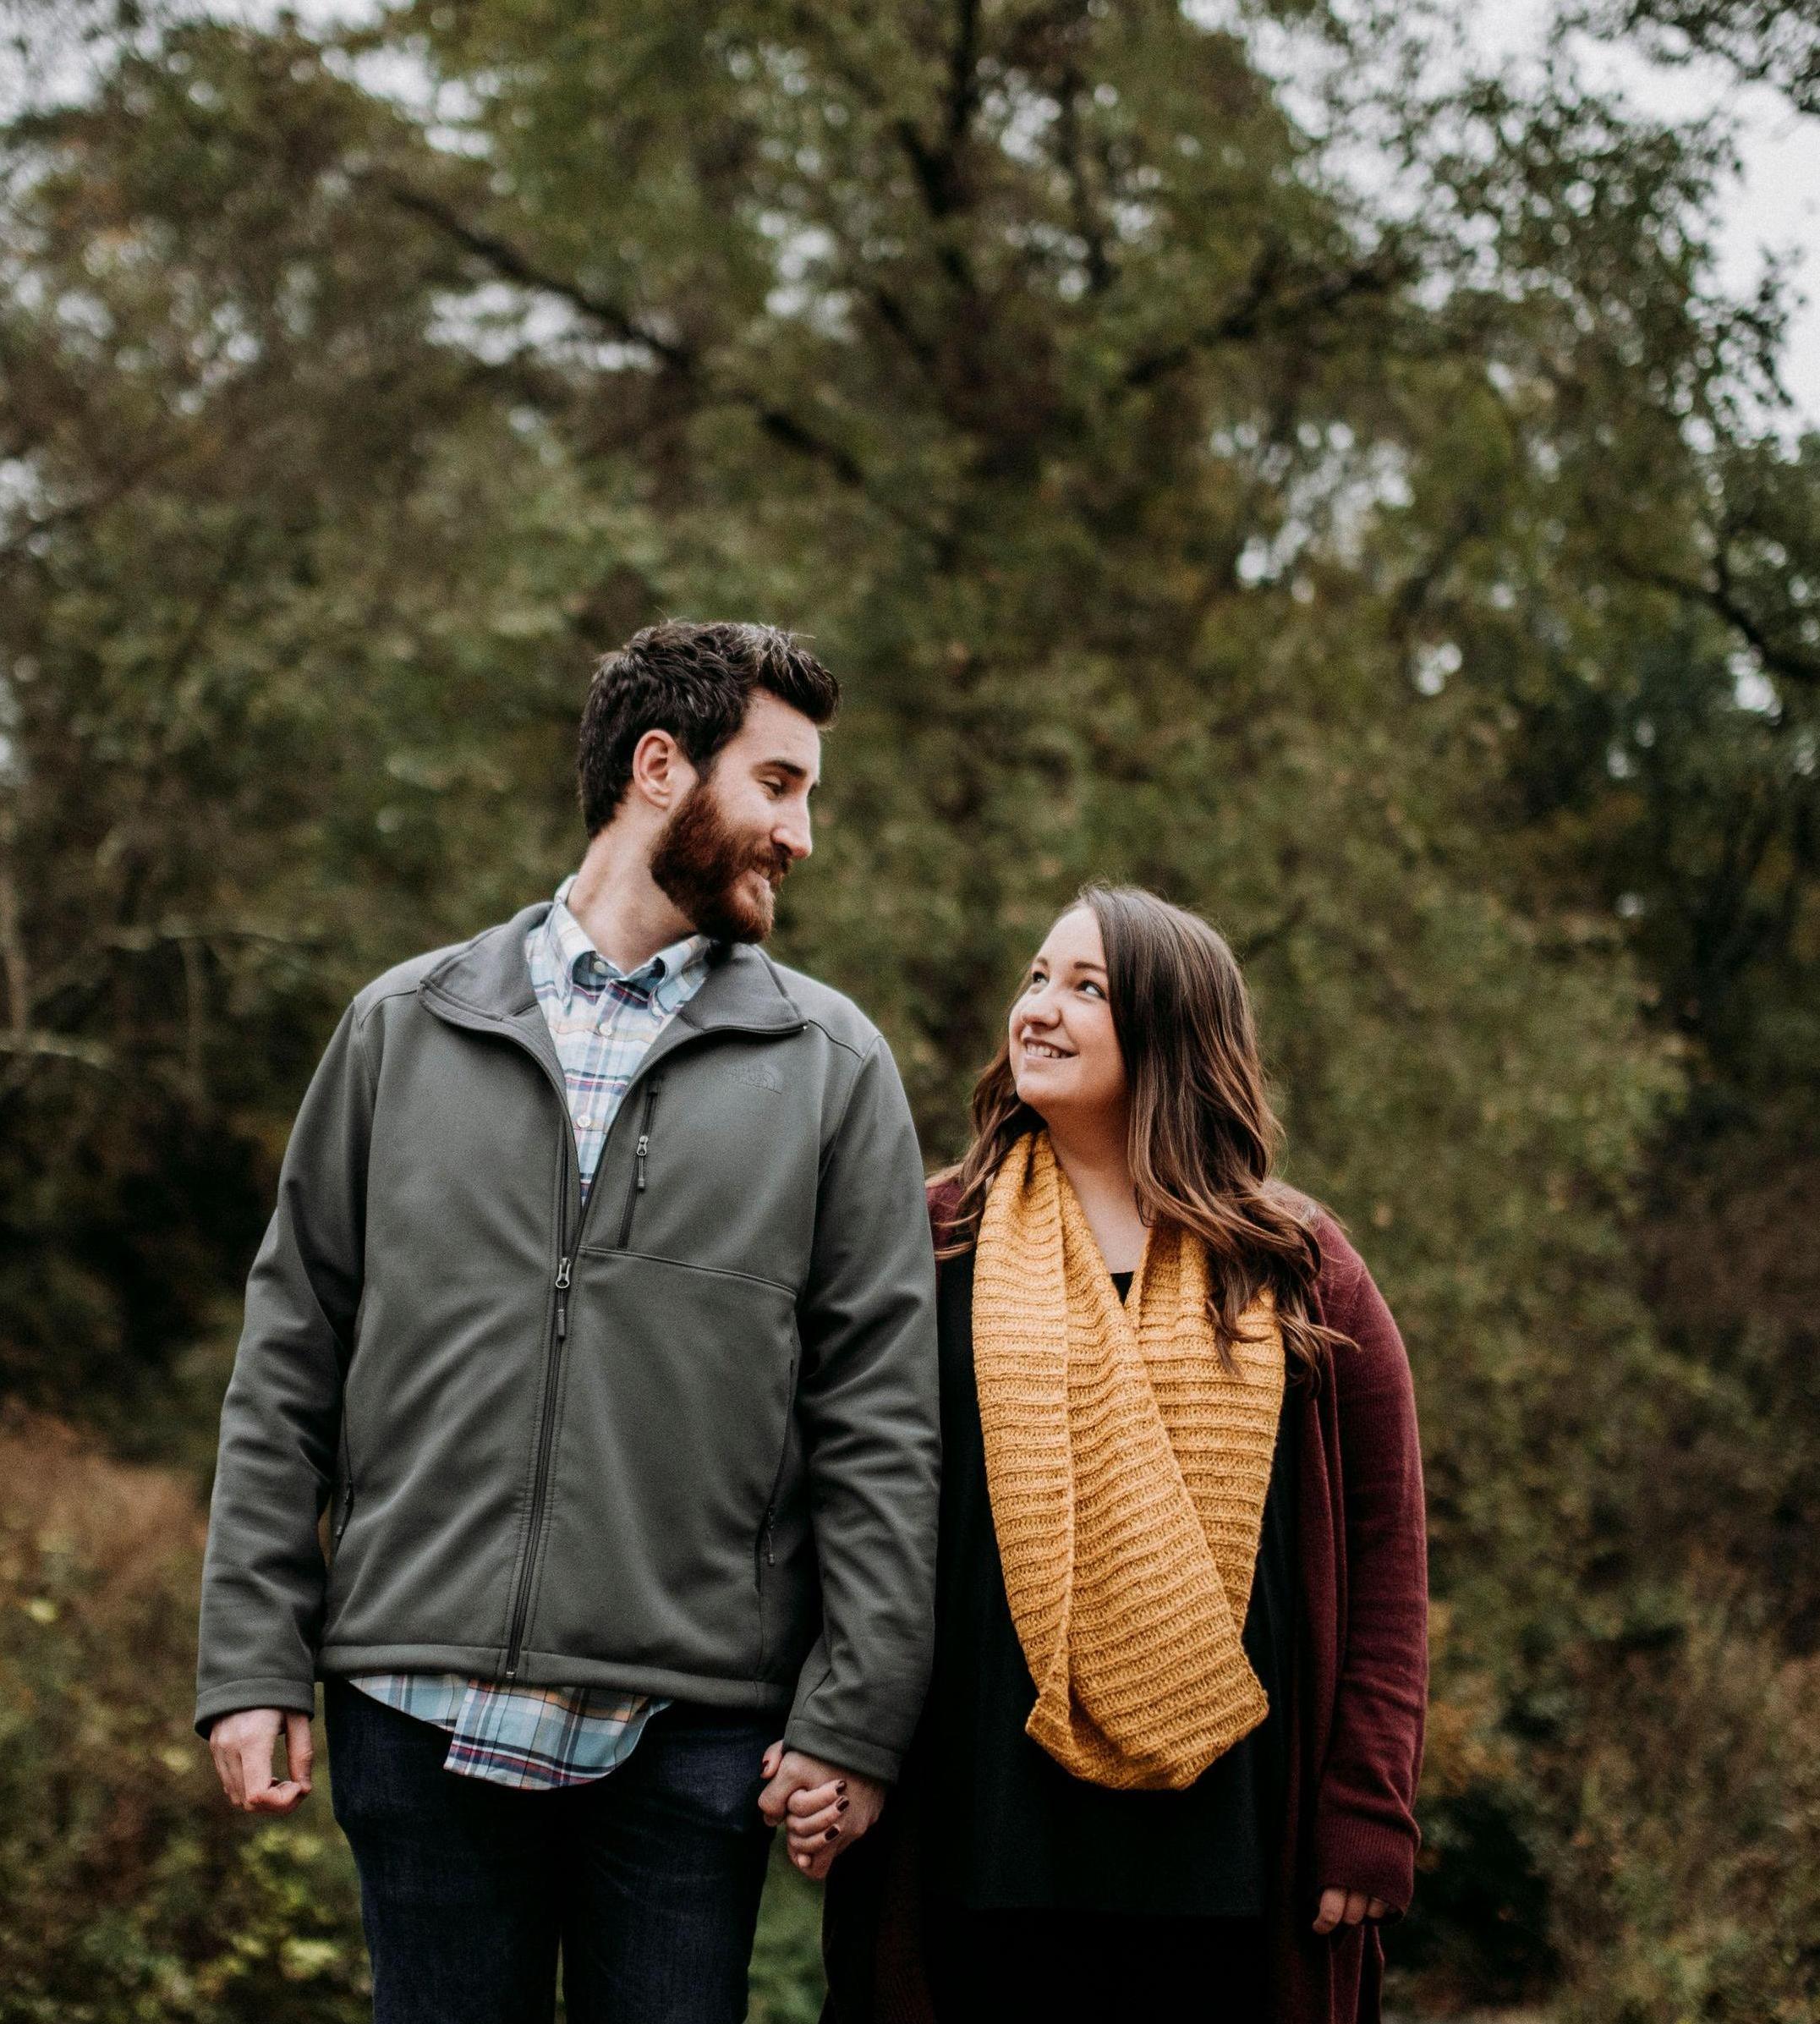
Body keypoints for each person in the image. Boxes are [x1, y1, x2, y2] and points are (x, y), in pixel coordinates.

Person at [195, 620, 940, 2024]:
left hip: (693, 1733)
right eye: (778, 784)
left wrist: (855, 1714)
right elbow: (288, 1358)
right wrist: (249, 1656)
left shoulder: (832, 1068)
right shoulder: (400, 1026)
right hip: (412, 1703)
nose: (801, 834)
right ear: (660, 768)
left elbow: (881, 1423)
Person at [819, 885, 1428, 2024]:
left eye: (1086, 988)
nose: (1038, 1008)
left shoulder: (1296, 1263)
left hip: (1232, 1851)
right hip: (979, 1826)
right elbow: (846, 1503)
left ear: (1170, 1030)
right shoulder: (933, 1236)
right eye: (1035, 978)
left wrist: (1368, 1804)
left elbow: (1387, 1558)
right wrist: (834, 1734)